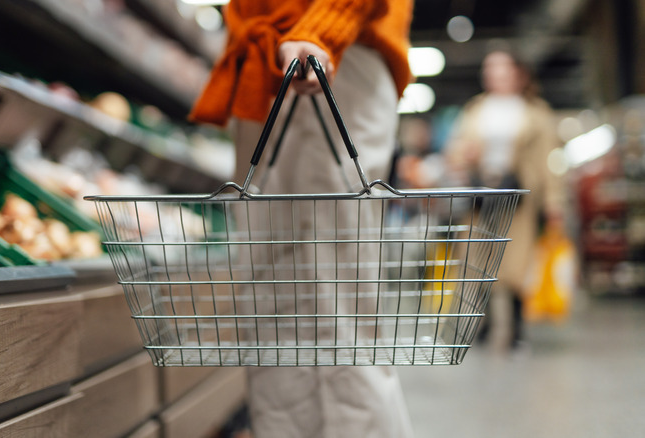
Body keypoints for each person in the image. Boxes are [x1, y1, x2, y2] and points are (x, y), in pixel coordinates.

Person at [189, 1, 415, 437]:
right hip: (271, 61)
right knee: (273, 301)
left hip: (329, 57)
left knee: (332, 299)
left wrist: (323, 30)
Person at [444, 49, 565, 351]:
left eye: (501, 69)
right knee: (478, 262)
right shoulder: (476, 109)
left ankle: (516, 329)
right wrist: (464, 155)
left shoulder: (536, 113)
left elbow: (549, 162)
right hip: (481, 195)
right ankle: (480, 328)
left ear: (517, 73)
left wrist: (554, 202)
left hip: (519, 197)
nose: (494, 75)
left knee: (516, 263)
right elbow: (455, 150)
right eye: (490, 69)